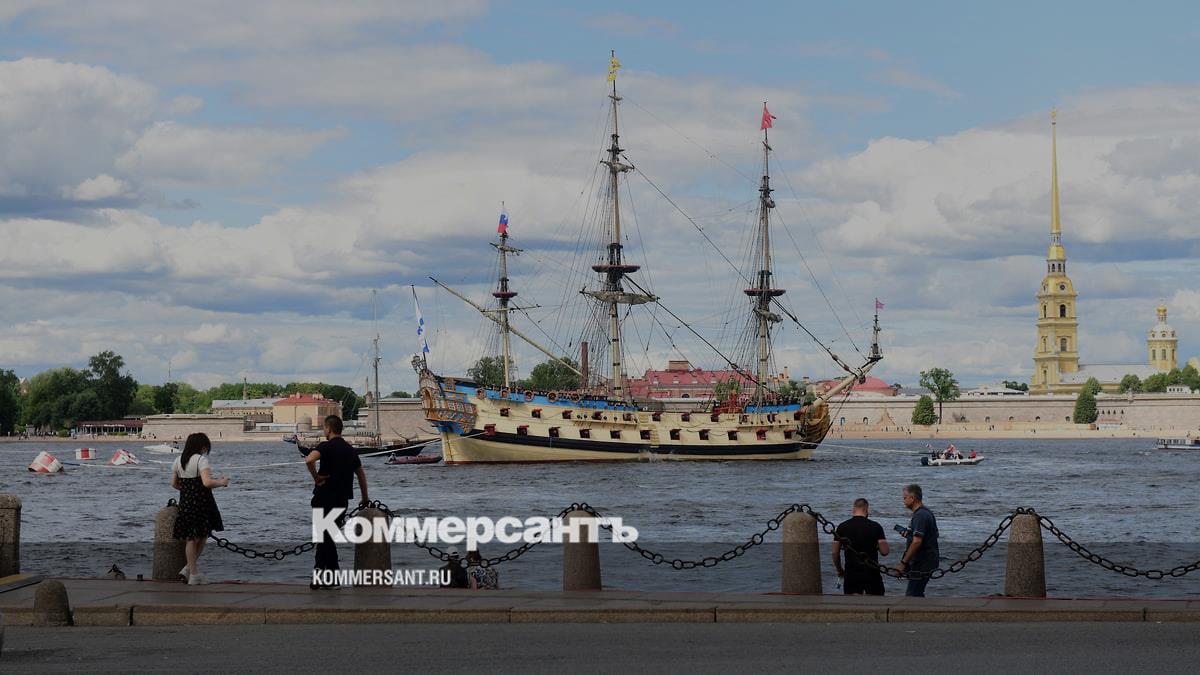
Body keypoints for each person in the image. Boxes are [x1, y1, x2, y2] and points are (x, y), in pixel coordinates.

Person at [305, 415, 368, 589]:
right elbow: (361, 475)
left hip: (323, 498)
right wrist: (365, 497)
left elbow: (309, 460)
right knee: (327, 538)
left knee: (324, 538)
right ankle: (325, 578)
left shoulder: (325, 446)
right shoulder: (350, 450)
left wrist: (316, 477)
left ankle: (326, 576)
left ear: (328, 429)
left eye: (324, 428)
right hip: (342, 500)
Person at [170, 432, 229, 585]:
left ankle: (188, 569)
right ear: (201, 446)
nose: (206, 450)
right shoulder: (201, 460)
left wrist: (188, 490)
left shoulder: (178, 460)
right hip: (202, 503)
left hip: (186, 502)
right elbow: (207, 482)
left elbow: (174, 484)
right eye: (206, 447)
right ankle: (194, 575)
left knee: (197, 536)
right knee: (196, 538)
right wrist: (222, 482)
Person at [832, 498, 889, 595]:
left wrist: (839, 569)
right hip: (871, 572)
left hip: (851, 572)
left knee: (852, 601)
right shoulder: (876, 526)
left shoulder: (842, 526)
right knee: (876, 600)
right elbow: (885, 552)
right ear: (867, 509)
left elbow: (834, 552)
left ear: (853, 509)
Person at [897, 484, 939, 597]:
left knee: (912, 595)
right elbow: (934, 534)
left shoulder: (920, 515)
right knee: (917, 593)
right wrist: (910, 535)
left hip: (922, 563)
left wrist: (903, 563)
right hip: (928, 561)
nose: (903, 501)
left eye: (905, 497)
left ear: (912, 498)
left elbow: (917, 542)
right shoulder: (926, 512)